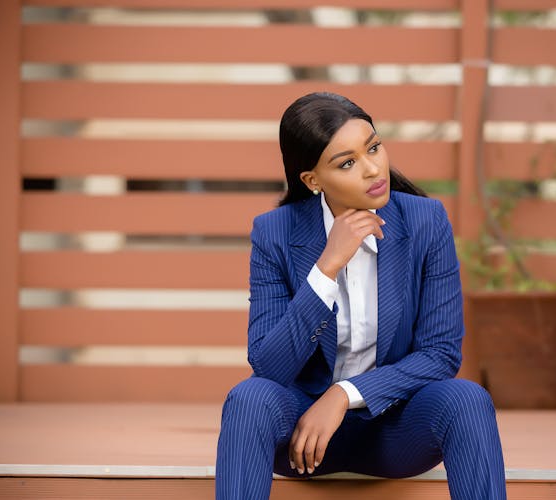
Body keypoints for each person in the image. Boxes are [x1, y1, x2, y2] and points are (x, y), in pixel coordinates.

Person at [216, 92, 506, 500]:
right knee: (248, 399)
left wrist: (344, 395)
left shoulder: (426, 222)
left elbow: (440, 354)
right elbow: (269, 366)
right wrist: (326, 268)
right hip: (302, 438)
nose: (373, 169)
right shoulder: (275, 233)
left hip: (394, 430)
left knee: (466, 399)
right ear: (312, 180)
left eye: (374, 147)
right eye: (347, 162)